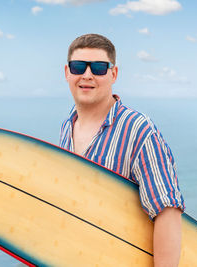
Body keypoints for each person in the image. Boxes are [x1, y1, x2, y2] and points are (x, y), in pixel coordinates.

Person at [59, 33, 185, 267]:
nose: (87, 75)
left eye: (98, 67)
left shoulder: (139, 130)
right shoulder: (67, 126)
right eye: (78, 67)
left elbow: (167, 212)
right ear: (67, 72)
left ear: (113, 74)